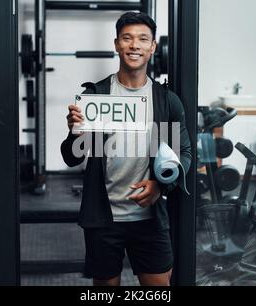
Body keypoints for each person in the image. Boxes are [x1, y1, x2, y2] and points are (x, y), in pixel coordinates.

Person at [61, 12, 192, 286]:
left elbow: (183, 155)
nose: (135, 45)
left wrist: (160, 186)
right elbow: (72, 157)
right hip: (104, 218)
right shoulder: (95, 96)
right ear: (117, 44)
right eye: (127, 38)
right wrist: (76, 133)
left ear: (153, 47)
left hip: (150, 218)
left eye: (143, 39)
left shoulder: (165, 102)